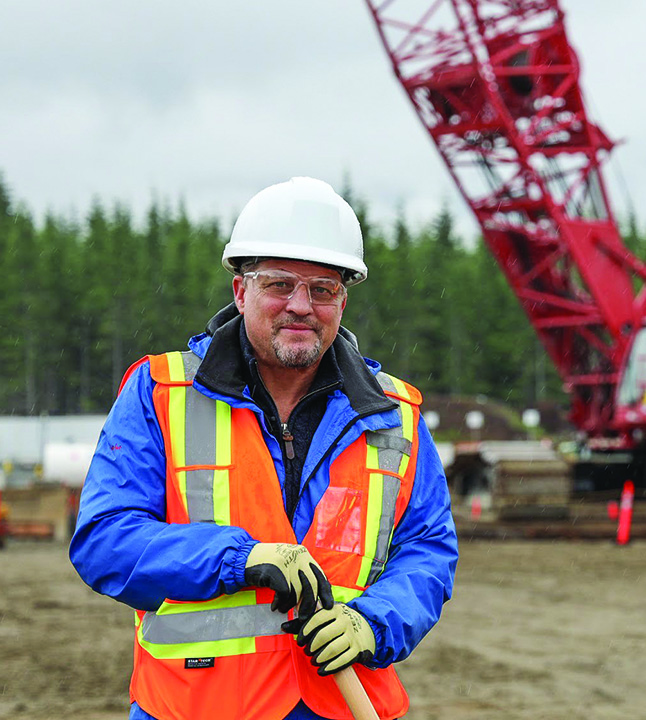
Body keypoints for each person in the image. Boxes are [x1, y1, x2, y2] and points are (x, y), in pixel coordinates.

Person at [70, 177, 459, 720]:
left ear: (342, 300)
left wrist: (374, 622)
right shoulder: (160, 393)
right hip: (196, 708)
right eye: (280, 284)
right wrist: (238, 558)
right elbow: (104, 541)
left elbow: (427, 550)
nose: (301, 306)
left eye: (322, 289)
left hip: (341, 704)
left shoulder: (394, 415)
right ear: (240, 291)